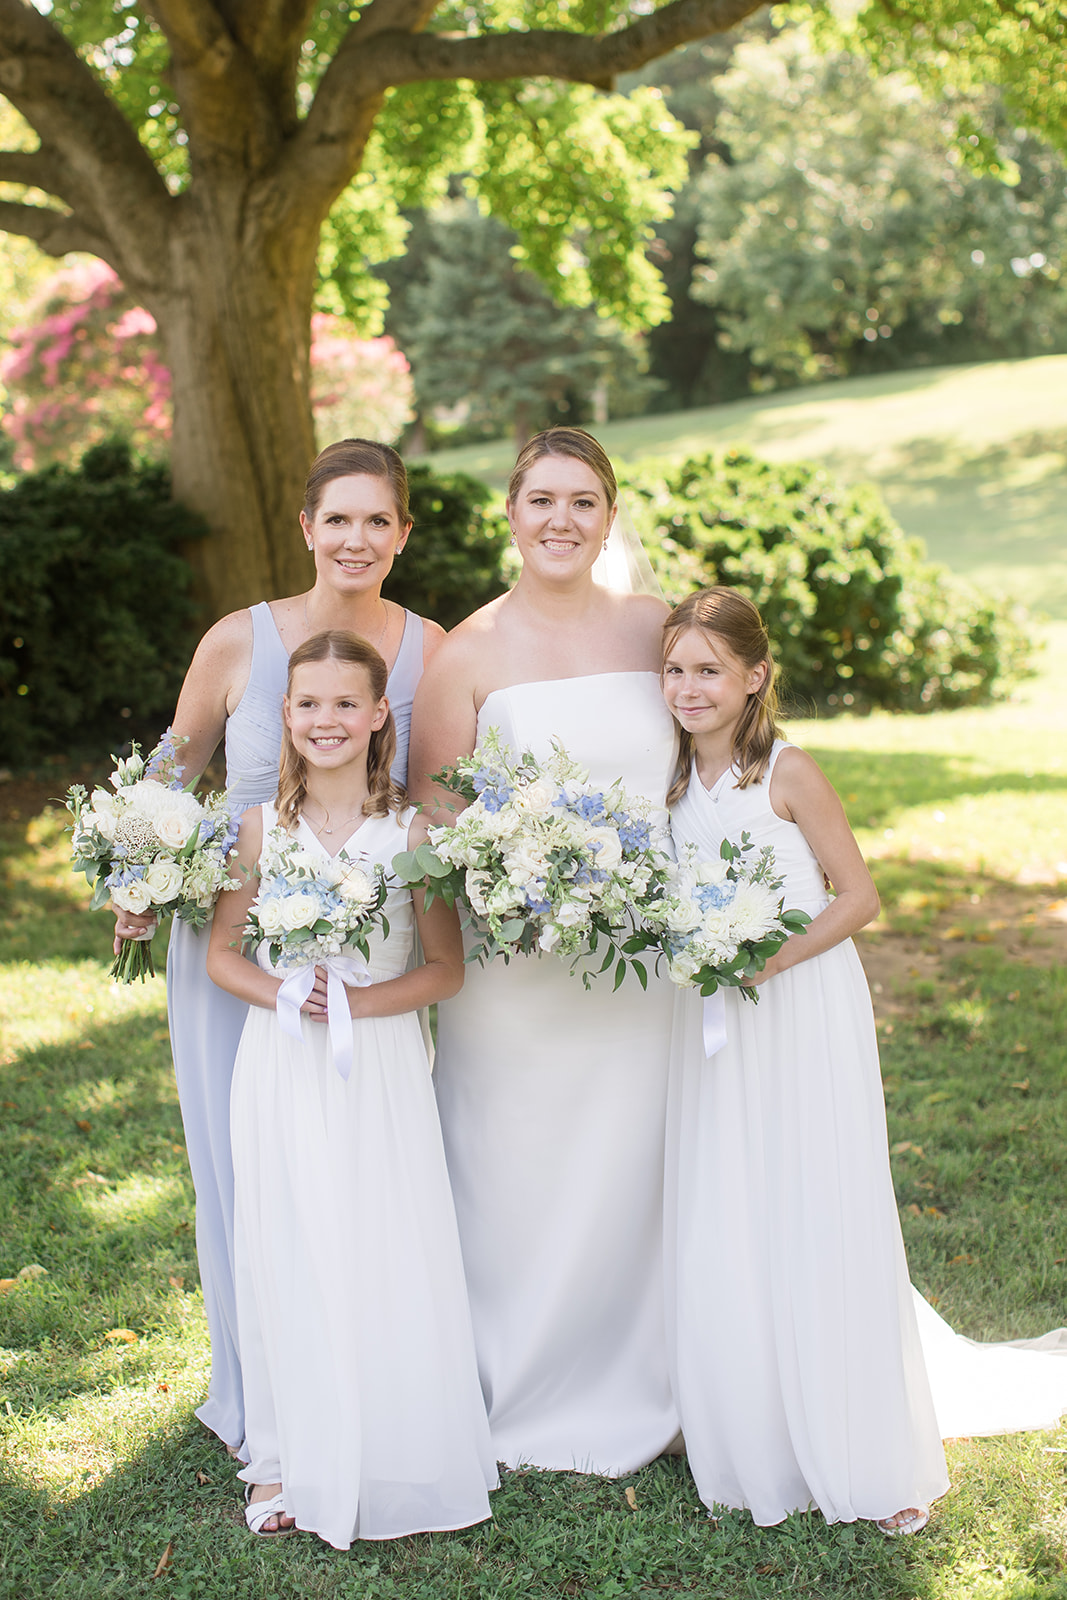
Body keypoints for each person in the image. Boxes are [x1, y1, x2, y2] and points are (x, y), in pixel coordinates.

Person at [113, 439, 444, 1459]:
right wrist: (132, 870)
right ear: (306, 528)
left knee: (367, 1160)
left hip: (375, 955)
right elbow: (170, 775)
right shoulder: (236, 642)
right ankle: (260, 1384)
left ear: (401, 532)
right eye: (334, 519)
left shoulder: (430, 646)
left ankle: (375, 1369)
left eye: (374, 519)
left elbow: (434, 794)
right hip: (236, 938)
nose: (354, 538)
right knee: (240, 1161)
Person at [408, 426, 681, 1475]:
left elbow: (709, 774)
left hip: (640, 967)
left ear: (609, 516)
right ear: (510, 513)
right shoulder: (466, 653)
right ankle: (514, 1374)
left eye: (582, 501)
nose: (561, 519)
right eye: (541, 500)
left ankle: (655, 1372)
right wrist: (515, 886)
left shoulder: (659, 628)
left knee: (639, 1165)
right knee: (512, 1167)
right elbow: (437, 827)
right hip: (513, 974)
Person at [660, 586, 954, 1532]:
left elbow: (857, 895)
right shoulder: (668, 785)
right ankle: (754, 1432)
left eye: (709, 670)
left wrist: (768, 956)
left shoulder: (785, 771)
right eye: (675, 669)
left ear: (754, 677)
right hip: (711, 1018)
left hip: (796, 1004)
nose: (689, 687)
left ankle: (864, 1447)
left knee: (814, 1196)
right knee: (734, 1201)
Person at [206, 630, 496, 1543]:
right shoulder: (257, 828)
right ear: (284, 718)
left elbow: (445, 970)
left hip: (379, 1068)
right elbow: (222, 955)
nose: (324, 720)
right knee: (287, 1240)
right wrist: (288, 990)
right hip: (281, 1058)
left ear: (379, 716)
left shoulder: (413, 836)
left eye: (344, 704)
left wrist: (361, 1004)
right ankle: (287, 1456)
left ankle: (393, 1442)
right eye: (306, 704)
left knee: (380, 1239)